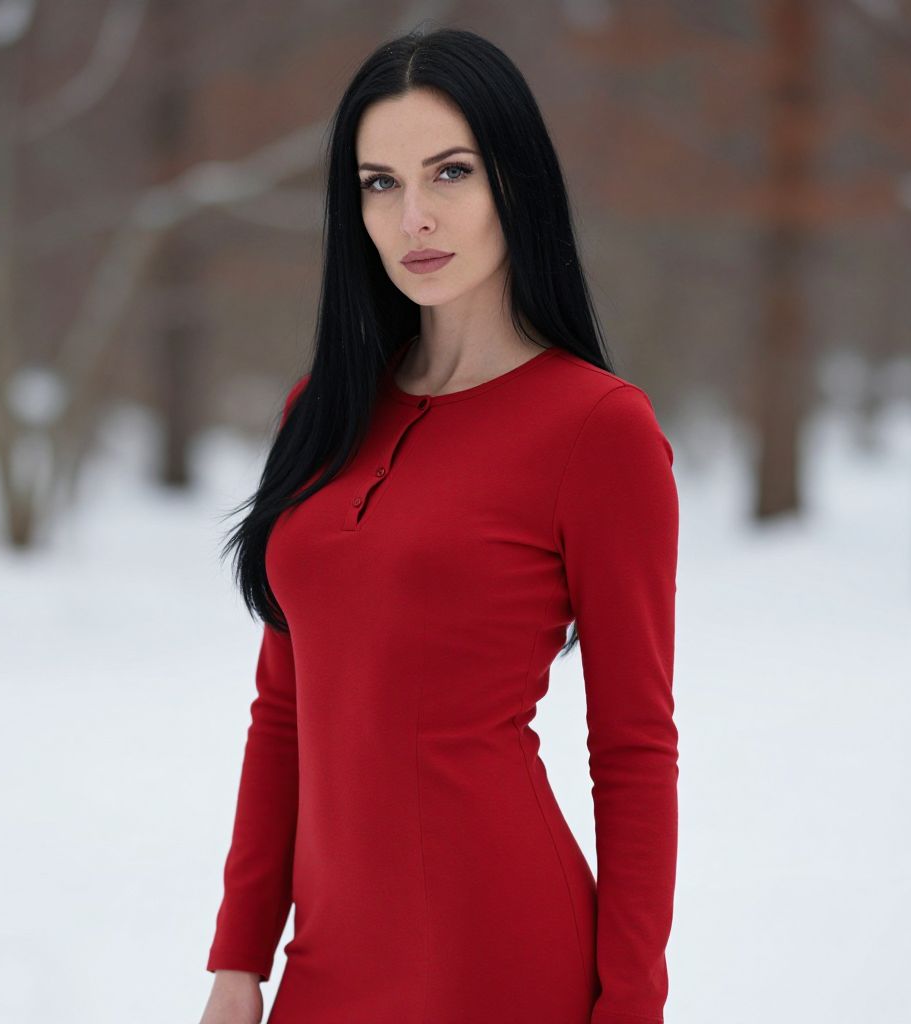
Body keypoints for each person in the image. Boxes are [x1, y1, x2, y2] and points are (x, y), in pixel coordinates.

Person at [199, 25, 680, 1024]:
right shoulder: (322, 411)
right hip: (326, 960)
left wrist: (631, 1005)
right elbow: (284, 711)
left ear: (515, 181)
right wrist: (239, 958)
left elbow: (633, 748)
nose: (412, 215)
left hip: (499, 953)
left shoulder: (599, 428)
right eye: (379, 183)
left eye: (449, 173)